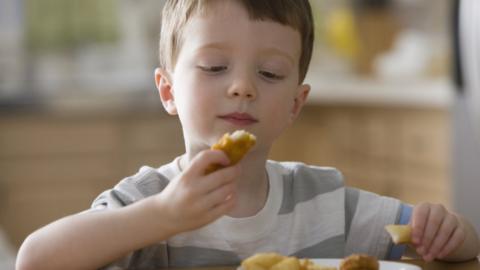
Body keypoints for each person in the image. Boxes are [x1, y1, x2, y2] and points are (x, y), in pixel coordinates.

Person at [16, 1, 480, 270]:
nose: (243, 87)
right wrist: (162, 216)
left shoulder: (323, 201)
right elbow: (34, 260)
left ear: (296, 105)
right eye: (215, 67)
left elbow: (442, 241)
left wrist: (449, 233)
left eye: (271, 73)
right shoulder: (145, 202)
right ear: (168, 90)